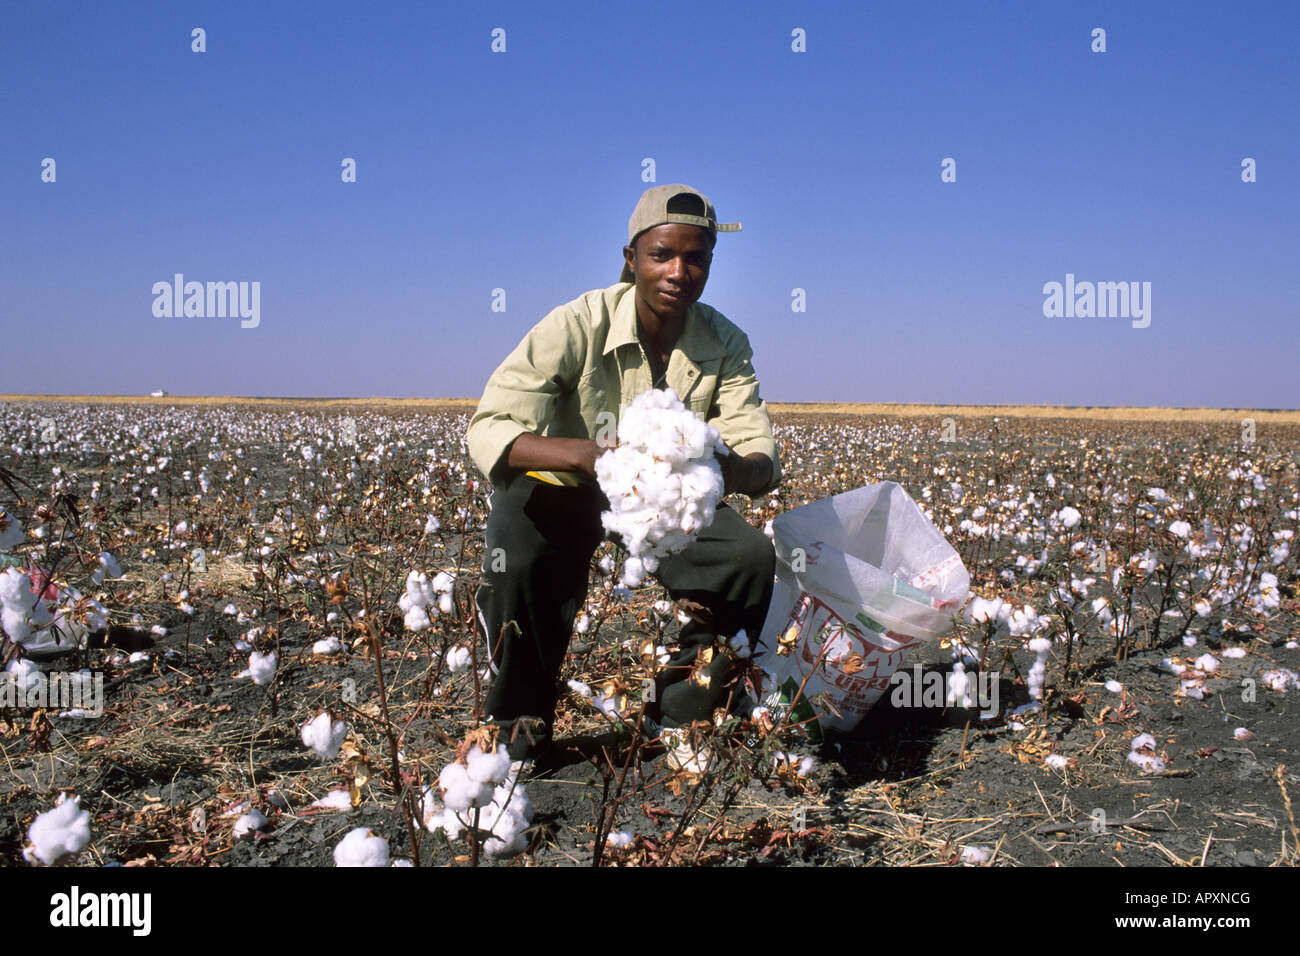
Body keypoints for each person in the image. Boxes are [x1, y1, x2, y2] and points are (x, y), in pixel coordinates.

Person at [466, 184, 782, 764]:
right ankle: (517, 725)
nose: (679, 272)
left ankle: (683, 719)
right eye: (662, 254)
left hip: (663, 502)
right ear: (631, 258)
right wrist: (590, 457)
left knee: (744, 558)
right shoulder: (578, 323)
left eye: (697, 258)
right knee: (519, 548)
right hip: (565, 488)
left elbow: (759, 455)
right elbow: (491, 428)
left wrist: (723, 462)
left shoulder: (725, 343)